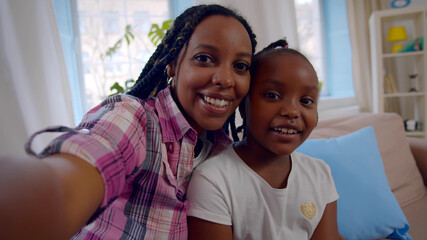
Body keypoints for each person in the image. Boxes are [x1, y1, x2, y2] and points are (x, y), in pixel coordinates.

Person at [0, 4, 257, 239]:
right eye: (204, 58)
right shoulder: (134, 118)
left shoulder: (223, 151)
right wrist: (40, 193)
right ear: (172, 65)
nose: (226, 79)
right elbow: (67, 184)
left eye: (240, 66)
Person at [187, 39, 342, 239]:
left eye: (306, 101)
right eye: (273, 95)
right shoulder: (213, 180)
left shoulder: (320, 174)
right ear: (244, 105)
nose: (292, 111)